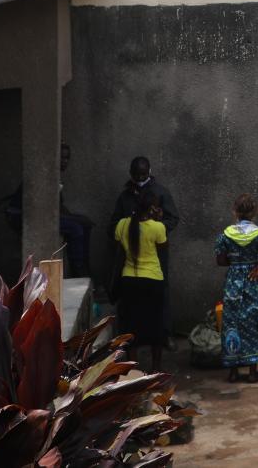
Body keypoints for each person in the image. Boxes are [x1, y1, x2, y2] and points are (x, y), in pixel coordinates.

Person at [109, 156, 180, 343]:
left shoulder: (160, 193)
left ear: (149, 171)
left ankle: (165, 334)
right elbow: (114, 225)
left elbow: (173, 219)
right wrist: (129, 231)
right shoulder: (125, 196)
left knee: (160, 296)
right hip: (130, 258)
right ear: (131, 174)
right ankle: (131, 338)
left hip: (154, 254)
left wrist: (156, 227)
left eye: (143, 175)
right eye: (137, 175)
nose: (140, 179)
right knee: (130, 305)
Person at [0, 142, 95, 277]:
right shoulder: (44, 176)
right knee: (76, 229)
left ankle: (85, 269)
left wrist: (78, 218)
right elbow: (45, 212)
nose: (65, 161)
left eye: (67, 158)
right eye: (61, 158)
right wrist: (76, 220)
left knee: (85, 224)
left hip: (44, 215)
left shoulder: (55, 176)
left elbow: (59, 207)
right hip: (25, 217)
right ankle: (78, 271)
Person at [214, 193, 258, 382]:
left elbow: (220, 260)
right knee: (253, 321)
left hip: (233, 282)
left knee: (231, 322)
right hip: (252, 280)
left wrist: (235, 262)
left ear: (234, 211)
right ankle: (253, 372)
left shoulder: (226, 234)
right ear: (254, 212)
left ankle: (233, 372)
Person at [113, 189, 167, 370]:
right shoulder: (157, 227)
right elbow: (163, 249)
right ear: (152, 208)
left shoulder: (122, 224)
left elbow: (119, 248)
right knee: (156, 324)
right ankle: (156, 368)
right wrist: (157, 221)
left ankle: (134, 368)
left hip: (129, 280)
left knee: (131, 325)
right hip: (153, 280)